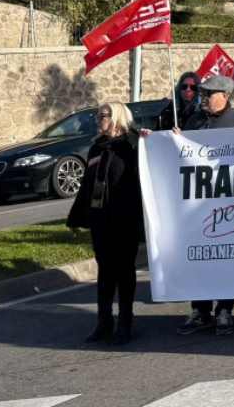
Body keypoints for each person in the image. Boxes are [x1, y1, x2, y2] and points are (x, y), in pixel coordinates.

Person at [179, 75, 234, 335]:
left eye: (209, 94)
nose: (204, 98)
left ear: (225, 96)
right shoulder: (195, 121)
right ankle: (200, 309)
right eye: (203, 94)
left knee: (226, 259)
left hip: (228, 202)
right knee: (199, 258)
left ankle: (224, 309)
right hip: (198, 202)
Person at [67, 102, 144, 345]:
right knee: (105, 272)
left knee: (124, 271)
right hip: (101, 219)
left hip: (125, 218)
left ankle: (125, 322)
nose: (98, 119)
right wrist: (77, 216)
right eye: (98, 115)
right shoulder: (96, 147)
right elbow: (87, 186)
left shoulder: (134, 145)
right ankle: (104, 321)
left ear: (117, 117)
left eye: (103, 115)